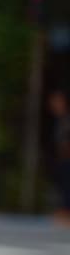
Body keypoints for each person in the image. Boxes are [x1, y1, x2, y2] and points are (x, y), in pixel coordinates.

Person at [51, 91, 70, 226]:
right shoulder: (60, 120)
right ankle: (63, 210)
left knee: (67, 185)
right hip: (63, 160)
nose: (53, 105)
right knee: (63, 185)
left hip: (68, 159)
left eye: (57, 102)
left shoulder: (67, 120)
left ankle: (66, 211)